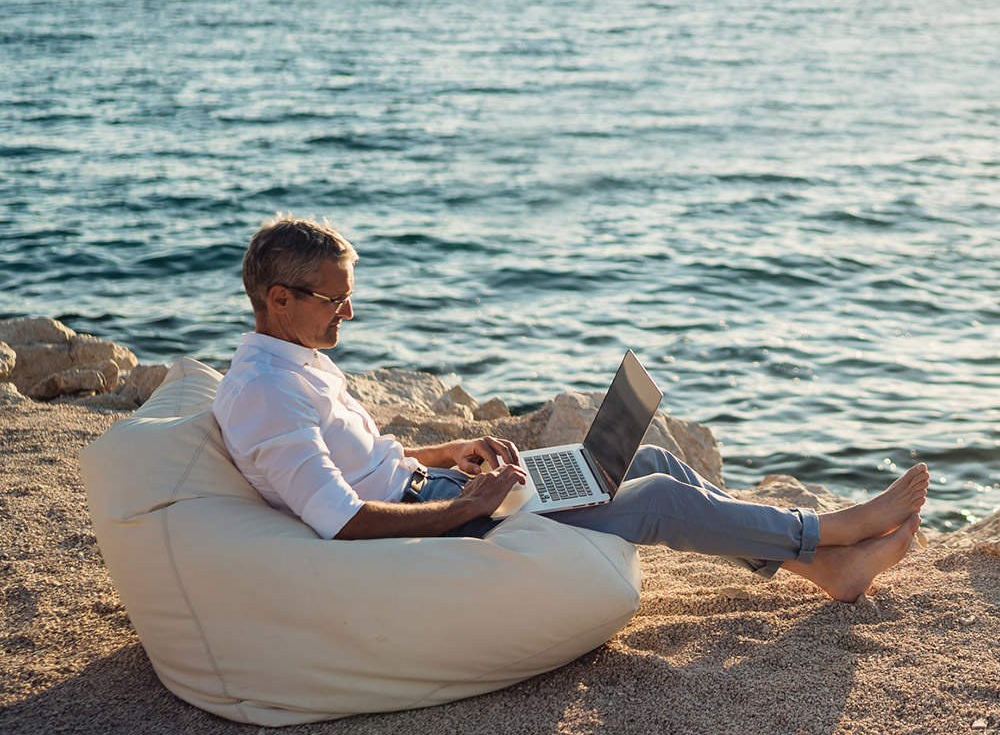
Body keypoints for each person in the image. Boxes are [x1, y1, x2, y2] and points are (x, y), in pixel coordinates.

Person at [214, 216, 929, 602]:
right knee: (654, 500)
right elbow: (342, 520)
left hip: (443, 491)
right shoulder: (267, 397)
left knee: (644, 457)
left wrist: (451, 454)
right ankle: (832, 530)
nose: (350, 312)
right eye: (336, 301)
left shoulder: (296, 360)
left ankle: (824, 570)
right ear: (279, 299)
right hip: (445, 527)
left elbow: (368, 465)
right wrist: (471, 505)